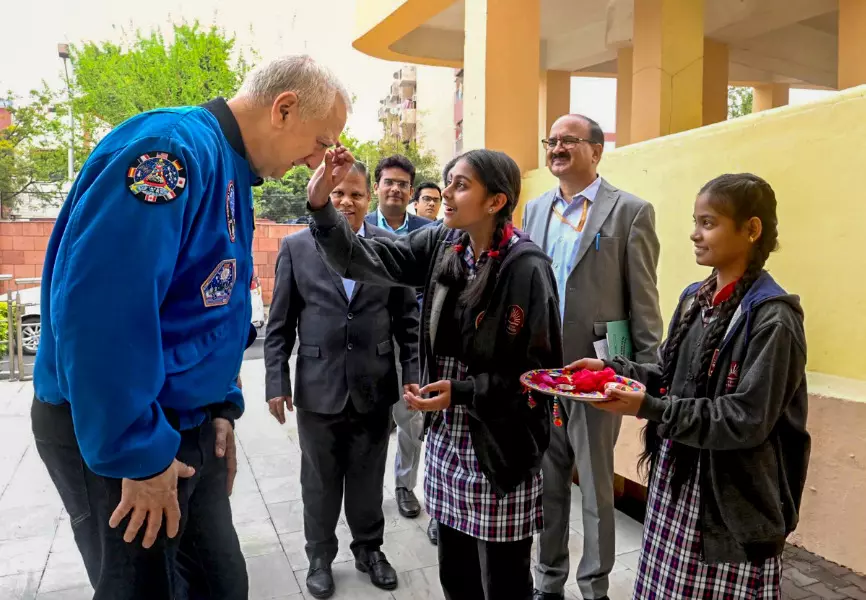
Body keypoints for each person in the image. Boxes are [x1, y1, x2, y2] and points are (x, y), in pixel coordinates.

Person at [30, 55, 351, 600]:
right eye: (322, 141)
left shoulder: (229, 168)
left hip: (185, 422)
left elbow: (208, 308)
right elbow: (104, 317)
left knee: (220, 583)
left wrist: (221, 406)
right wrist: (138, 451)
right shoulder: (169, 153)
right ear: (285, 108)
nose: (318, 161)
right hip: (122, 430)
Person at [307, 147, 563, 600]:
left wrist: (463, 391)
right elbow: (361, 259)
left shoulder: (527, 268)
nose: (444, 192)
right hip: (448, 444)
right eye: (447, 181)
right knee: (456, 574)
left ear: (495, 201)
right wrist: (321, 207)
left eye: (460, 185)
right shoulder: (444, 244)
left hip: (499, 449)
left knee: (505, 583)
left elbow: (541, 377)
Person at [573, 173, 810, 599]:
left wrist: (651, 407)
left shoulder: (773, 319)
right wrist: (611, 370)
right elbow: (665, 372)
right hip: (678, 481)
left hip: (728, 502)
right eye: (695, 221)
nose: (694, 234)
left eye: (708, 222)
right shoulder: (694, 299)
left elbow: (746, 419)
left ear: (751, 229)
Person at [264, 161, 420, 598]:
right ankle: (319, 556)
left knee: (369, 476)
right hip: (317, 387)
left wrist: (413, 375)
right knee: (319, 479)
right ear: (324, 197)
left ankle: (370, 549)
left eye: (356, 194)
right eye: (337, 194)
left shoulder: (393, 247)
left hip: (374, 385)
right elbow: (280, 324)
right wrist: (275, 380)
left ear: (369, 199)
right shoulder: (297, 247)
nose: (346, 202)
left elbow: (408, 320)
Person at [524, 114, 663, 600]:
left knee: (598, 487)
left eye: (569, 141)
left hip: (596, 373)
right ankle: (548, 580)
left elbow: (643, 298)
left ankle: (595, 585)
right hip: (544, 374)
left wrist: (646, 370)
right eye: (552, 141)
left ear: (597, 151)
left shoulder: (630, 212)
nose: (557, 148)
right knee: (549, 481)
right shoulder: (534, 210)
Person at [364, 155, 432, 519]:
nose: (395, 189)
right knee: (370, 419)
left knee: (411, 418)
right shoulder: (359, 224)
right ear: (376, 187)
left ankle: (405, 485)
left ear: (411, 191)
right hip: (367, 339)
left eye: (403, 184)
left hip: (412, 340)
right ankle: (366, 488)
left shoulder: (427, 230)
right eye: (389, 181)